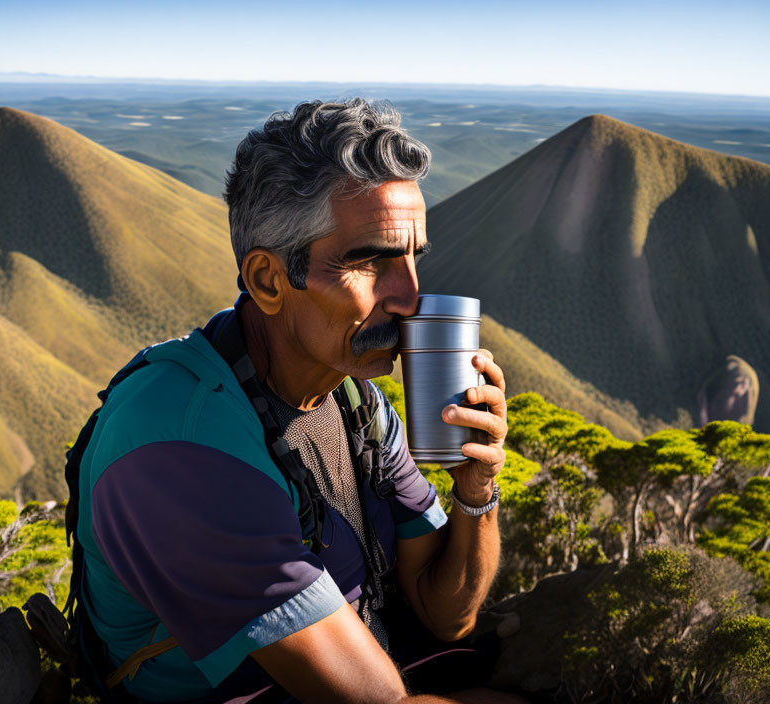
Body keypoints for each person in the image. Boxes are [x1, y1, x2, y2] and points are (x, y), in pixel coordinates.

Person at [74, 98, 513, 704]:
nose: (411, 297)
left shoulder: (357, 401)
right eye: (368, 260)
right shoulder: (181, 444)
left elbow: (447, 616)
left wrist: (475, 488)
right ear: (267, 281)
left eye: (414, 258)